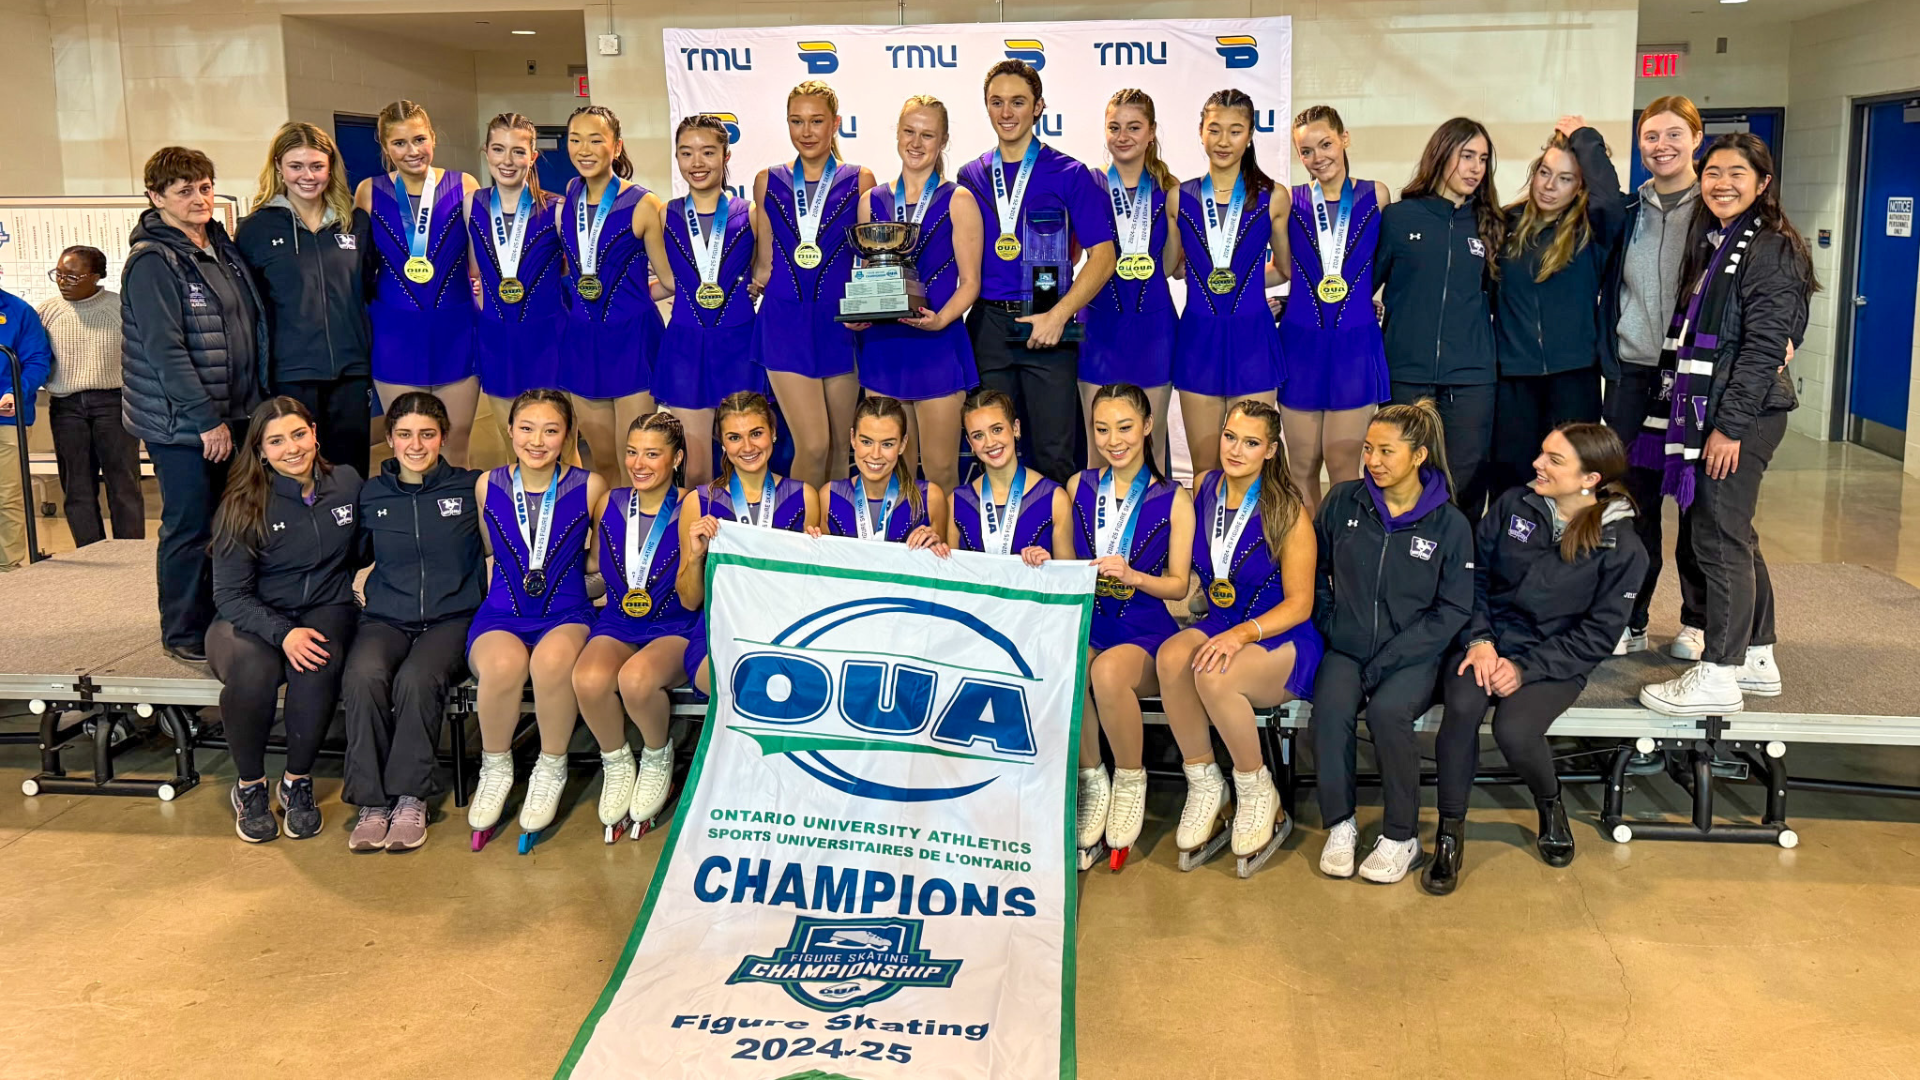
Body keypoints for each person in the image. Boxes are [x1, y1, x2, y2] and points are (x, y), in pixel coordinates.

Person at [1425, 423, 1647, 894]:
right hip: (1488, 640)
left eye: (1553, 460)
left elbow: (1597, 635)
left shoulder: (1622, 546)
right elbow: (1473, 576)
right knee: (1462, 707)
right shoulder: (1513, 505)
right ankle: (1450, 831)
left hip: (1555, 656)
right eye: (1542, 453)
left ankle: (1550, 802)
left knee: (1515, 729)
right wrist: (1479, 639)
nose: (1537, 464)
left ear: (1589, 479)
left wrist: (1525, 669)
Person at [1638, 134, 1811, 717]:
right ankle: (1756, 655)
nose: (1722, 183)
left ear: (1763, 182)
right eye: (1713, 172)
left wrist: (1729, 429)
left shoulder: (1770, 247)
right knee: (1731, 531)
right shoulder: (1720, 241)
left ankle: (1719, 673)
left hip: (1742, 415)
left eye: (1738, 173)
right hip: (1718, 409)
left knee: (1717, 536)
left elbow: (1764, 348)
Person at [1155, 399, 1323, 876]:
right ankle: (1207, 783)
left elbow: (1300, 604)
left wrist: (1242, 635)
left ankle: (1257, 788)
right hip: (1222, 624)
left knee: (1215, 674)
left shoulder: (1288, 511)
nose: (1235, 449)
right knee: (1171, 656)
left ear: (1270, 450)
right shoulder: (1206, 487)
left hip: (1280, 635)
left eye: (1250, 443)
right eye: (1230, 437)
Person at [1311, 400, 1473, 884]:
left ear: (1419, 456)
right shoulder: (1343, 501)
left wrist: (1389, 660)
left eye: (1386, 451)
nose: (1373, 461)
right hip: (1348, 644)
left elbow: (1453, 609)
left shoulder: (1450, 524)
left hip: (1413, 654)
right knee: (1330, 710)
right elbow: (1314, 569)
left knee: (1387, 713)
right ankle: (1340, 824)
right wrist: (1331, 622)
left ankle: (1402, 836)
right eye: (1368, 449)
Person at [122, 146, 270, 661]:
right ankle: (183, 631)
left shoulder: (219, 247)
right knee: (189, 526)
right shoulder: (153, 261)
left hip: (238, 412)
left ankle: (222, 616)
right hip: (185, 424)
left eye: (204, 187)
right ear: (156, 197)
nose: (199, 198)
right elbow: (165, 350)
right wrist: (206, 420)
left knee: (231, 523)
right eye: (184, 191)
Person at [206, 396, 363, 843]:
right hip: (251, 613)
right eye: (276, 441)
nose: (291, 448)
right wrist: (284, 632)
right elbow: (229, 594)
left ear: (315, 433)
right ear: (260, 450)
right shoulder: (243, 503)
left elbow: (365, 548)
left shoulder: (347, 483)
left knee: (317, 662)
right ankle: (250, 786)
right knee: (253, 672)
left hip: (326, 605)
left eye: (298, 434)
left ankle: (297, 780)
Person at [958, 60, 1117, 484]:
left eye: (1018, 102)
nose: (1006, 112)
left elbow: (1104, 257)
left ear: (1038, 106)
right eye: (997, 102)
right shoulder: (970, 175)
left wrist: (1059, 315)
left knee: (1052, 454)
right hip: (989, 325)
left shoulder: (1071, 173)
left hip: (1049, 323)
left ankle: (1053, 529)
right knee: (991, 452)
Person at [340, 392, 485, 853]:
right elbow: (348, 555)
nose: (416, 445)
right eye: (405, 434)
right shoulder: (371, 494)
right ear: (389, 438)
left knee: (417, 679)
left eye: (427, 434)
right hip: (386, 617)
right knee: (363, 676)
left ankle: (409, 798)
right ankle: (371, 801)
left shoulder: (471, 488)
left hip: (452, 618)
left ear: (443, 438)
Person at [1057, 383, 1192, 869]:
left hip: (1145, 631)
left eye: (1125, 427)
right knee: (1070, 665)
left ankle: (1131, 780)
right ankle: (1093, 779)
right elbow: (1066, 565)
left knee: (1108, 672)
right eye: (1102, 429)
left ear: (1149, 426)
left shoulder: (1174, 498)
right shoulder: (1078, 486)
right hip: (1093, 622)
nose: (1113, 441)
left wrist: (1134, 576)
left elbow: (1179, 586)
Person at [465, 389, 607, 848]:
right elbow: (490, 547)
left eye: (551, 430)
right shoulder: (487, 485)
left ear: (568, 435)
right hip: (503, 614)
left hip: (566, 613)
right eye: (526, 428)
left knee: (551, 664)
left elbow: (602, 560)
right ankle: (495, 767)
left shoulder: (590, 486)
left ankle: (550, 766)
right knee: (503, 666)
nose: (537, 441)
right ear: (509, 431)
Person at [1602, 96, 1706, 656]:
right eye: (1650, 136)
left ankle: (1697, 620)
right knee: (1633, 504)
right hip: (1634, 375)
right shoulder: (1630, 210)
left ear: (1696, 138)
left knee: (1696, 504)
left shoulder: (1716, 206)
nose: (1661, 146)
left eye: (1673, 134)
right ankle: (1632, 617)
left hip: (1696, 380)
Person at [570, 412, 699, 841]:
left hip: (675, 624)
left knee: (637, 680)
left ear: (676, 458)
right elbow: (593, 564)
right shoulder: (609, 502)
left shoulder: (693, 506)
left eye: (652, 454)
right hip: (619, 619)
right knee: (587, 679)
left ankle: (658, 757)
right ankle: (617, 761)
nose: (638, 464)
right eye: (631, 452)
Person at [1488, 119, 1625, 494]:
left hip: (1574, 376)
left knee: (1570, 480)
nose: (1549, 186)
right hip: (1513, 378)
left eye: (1565, 178)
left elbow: (1610, 199)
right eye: (1545, 173)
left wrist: (1584, 138)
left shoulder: (1592, 230)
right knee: (1511, 478)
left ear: (1580, 185)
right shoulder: (1505, 224)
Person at [853, 95, 981, 494]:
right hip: (883, 346)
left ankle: (945, 536)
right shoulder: (871, 202)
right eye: (909, 131)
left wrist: (941, 319)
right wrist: (859, 312)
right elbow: (867, 275)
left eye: (927, 135)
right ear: (896, 133)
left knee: (942, 471)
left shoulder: (958, 200)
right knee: (892, 473)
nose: (916, 142)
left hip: (936, 346)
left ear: (943, 140)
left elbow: (971, 282)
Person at [1376, 119, 1503, 516]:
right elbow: (1358, 287)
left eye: (1483, 159)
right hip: (1405, 374)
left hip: (1470, 380)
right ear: (1441, 154)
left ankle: (1462, 555)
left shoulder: (1491, 224)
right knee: (1402, 482)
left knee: (1465, 485)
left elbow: (1499, 299)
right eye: (1467, 156)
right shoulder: (1398, 218)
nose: (1476, 168)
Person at [751, 81, 873, 488]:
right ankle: (800, 524)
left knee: (839, 449)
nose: (806, 131)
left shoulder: (860, 180)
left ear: (835, 123)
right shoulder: (768, 180)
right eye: (796, 121)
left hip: (839, 324)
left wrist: (868, 308)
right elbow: (765, 261)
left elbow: (867, 260)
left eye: (816, 121)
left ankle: (831, 527)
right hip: (784, 323)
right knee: (814, 445)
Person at [236, 121, 374, 479]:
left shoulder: (354, 223)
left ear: (331, 167)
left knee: (349, 474)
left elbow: (369, 287)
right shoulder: (256, 229)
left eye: (317, 166)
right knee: (297, 473)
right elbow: (248, 308)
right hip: (290, 374)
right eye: (296, 166)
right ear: (278, 166)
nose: (307, 176)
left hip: (351, 371)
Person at [1277, 106, 1392, 512]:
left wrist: (1377, 300)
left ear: (1344, 139)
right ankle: (1307, 548)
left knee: (1344, 465)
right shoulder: (1290, 200)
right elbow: (1281, 267)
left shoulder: (1376, 195)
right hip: (1300, 343)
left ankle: (1342, 547)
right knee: (1301, 465)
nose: (1318, 157)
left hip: (1354, 344)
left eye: (1325, 144)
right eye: (1306, 151)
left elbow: (1386, 262)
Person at [354, 100, 480, 465]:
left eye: (419, 139)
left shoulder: (464, 185)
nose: (412, 151)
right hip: (395, 331)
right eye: (399, 143)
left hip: (455, 327)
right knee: (409, 447)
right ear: (385, 147)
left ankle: (456, 505)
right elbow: (360, 263)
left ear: (433, 138)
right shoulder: (368, 191)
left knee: (454, 443)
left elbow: (478, 261)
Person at [673, 391, 820, 696]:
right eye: (735, 438)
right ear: (722, 443)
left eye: (756, 433)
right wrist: (697, 557)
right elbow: (688, 601)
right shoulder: (699, 503)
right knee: (750, 684)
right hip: (720, 631)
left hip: (787, 630)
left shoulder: (804, 497)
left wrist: (815, 558)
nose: (748, 447)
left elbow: (814, 591)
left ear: (773, 433)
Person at [1175, 89, 1287, 476]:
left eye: (1235, 131)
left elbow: (1284, 269)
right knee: (1205, 469)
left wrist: (1247, 284)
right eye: (1215, 129)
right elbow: (1173, 268)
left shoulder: (1274, 197)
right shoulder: (1179, 197)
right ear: (1200, 132)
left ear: (1250, 135)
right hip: (1198, 338)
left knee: (1253, 468)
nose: (1224, 141)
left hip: (1252, 337)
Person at [651, 115, 762, 487]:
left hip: (739, 344)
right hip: (686, 346)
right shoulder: (665, 214)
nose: (697, 162)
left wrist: (755, 286)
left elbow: (764, 272)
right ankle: (697, 527)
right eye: (686, 153)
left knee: (746, 460)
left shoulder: (750, 213)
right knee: (696, 467)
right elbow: (668, 281)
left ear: (726, 156)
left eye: (708, 152)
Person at [559, 106, 665, 484]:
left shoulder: (644, 203)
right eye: (575, 140)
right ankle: (609, 524)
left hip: (632, 339)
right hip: (583, 339)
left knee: (635, 462)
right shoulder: (570, 194)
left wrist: (636, 297)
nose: (584, 150)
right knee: (602, 462)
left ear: (616, 147)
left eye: (595, 140)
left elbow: (670, 279)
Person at [1078, 88, 1180, 470]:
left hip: (1153, 329)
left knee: (1151, 447)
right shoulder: (1087, 184)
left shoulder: (1170, 189)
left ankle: (1154, 512)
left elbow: (1169, 266)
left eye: (1134, 127)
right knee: (1099, 448)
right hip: (1098, 328)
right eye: (1114, 127)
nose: (1123, 136)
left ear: (1151, 132)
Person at [473, 112, 570, 458]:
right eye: (499, 149)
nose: (507, 160)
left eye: (518, 151)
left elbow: (576, 269)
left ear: (533, 156)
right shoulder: (472, 205)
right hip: (496, 339)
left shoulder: (557, 209)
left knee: (560, 447)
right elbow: (472, 269)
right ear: (486, 151)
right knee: (513, 445)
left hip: (549, 340)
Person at [38, 246, 144, 547]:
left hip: (114, 404)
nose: (63, 282)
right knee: (77, 487)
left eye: (73, 277)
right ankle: (90, 552)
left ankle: (130, 553)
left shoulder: (120, 308)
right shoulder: (47, 311)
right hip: (66, 407)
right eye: (59, 275)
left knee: (123, 484)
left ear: (97, 276)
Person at [948, 387, 1071, 561]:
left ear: (1015, 428)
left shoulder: (1055, 499)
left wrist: (1048, 566)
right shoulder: (956, 502)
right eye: (978, 436)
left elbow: (1069, 575)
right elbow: (950, 575)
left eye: (997, 429)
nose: (990, 442)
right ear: (970, 443)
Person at [816, 395, 950, 549]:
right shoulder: (829, 496)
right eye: (866, 442)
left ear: (902, 444)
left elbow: (945, 560)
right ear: (853, 438)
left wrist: (936, 548)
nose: (875, 454)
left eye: (887, 444)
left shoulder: (930, 498)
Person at [0, 283, 51, 570]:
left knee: (6, 495)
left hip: (5, 418)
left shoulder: (18, 311)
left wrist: (15, 392)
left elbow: (36, 360)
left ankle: (7, 567)